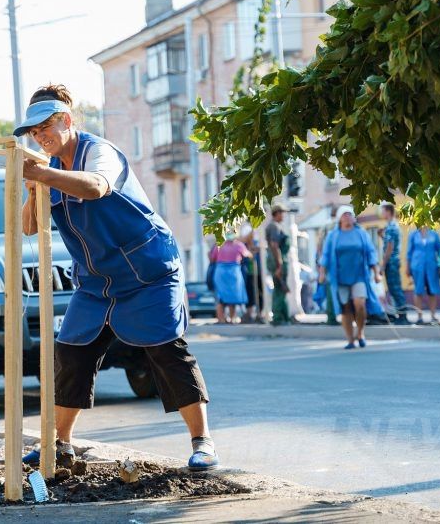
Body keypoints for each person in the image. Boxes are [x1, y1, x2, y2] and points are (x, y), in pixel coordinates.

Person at [17, 84, 218, 473]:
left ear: (68, 121)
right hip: (97, 283)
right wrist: (33, 188)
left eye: (47, 126)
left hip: (147, 272)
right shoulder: (50, 169)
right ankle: (60, 445)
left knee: (166, 352)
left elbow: (96, 187)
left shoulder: (99, 152)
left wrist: (45, 174)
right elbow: (29, 227)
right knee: (72, 353)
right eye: (34, 131)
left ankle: (203, 442)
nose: (41, 136)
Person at [318, 206, 382, 349]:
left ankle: (360, 333)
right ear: (340, 218)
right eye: (344, 215)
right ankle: (350, 340)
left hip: (359, 276)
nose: (347, 217)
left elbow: (371, 252)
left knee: (360, 305)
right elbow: (326, 256)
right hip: (339, 277)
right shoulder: (333, 236)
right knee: (345, 308)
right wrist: (322, 273)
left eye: (350, 214)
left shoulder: (361, 233)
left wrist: (376, 272)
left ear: (354, 218)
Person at [211, 231, 252, 324]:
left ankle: (221, 319)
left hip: (221, 272)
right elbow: (248, 255)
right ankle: (232, 318)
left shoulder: (219, 244)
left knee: (220, 297)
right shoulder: (239, 245)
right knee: (232, 297)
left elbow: (212, 258)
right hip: (233, 272)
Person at [379, 203, 408, 324]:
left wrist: (383, 264)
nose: (381, 213)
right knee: (393, 288)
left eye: (383, 211)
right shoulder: (392, 226)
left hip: (391, 263)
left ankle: (403, 316)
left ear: (388, 211)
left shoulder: (391, 226)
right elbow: (389, 243)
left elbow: (390, 247)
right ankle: (400, 315)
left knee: (395, 289)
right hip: (393, 262)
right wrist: (381, 236)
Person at [408, 226, 440, 324]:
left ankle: (433, 315)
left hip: (432, 267)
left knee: (432, 291)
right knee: (418, 291)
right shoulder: (413, 234)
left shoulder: (434, 234)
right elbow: (409, 253)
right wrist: (407, 267)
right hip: (417, 267)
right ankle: (419, 317)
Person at [264, 203, 291, 325]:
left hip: (276, 260)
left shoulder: (273, 226)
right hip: (277, 261)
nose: (283, 216)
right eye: (282, 213)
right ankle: (278, 317)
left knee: (281, 288)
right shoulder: (274, 226)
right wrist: (279, 265)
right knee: (280, 288)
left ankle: (284, 316)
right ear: (277, 213)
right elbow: (275, 246)